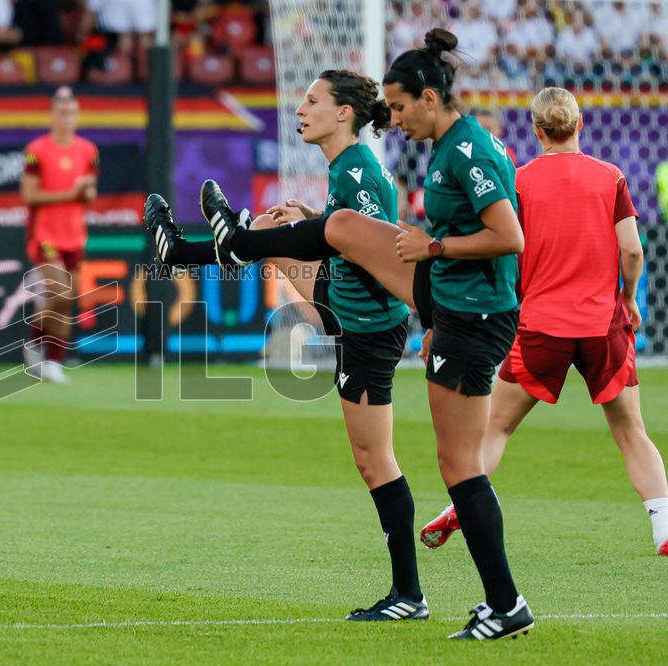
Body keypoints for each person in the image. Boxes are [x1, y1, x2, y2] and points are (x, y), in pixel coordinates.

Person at [184, 29, 533, 640]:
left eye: (398, 108)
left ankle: (498, 603)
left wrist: (435, 250)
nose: (391, 120)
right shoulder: (462, 146)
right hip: (455, 310)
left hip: (454, 314)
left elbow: (509, 236)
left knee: (458, 467)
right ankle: (226, 244)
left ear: (429, 97)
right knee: (335, 228)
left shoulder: (462, 152)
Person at [146, 69, 427, 621]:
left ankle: (409, 595)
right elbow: (350, 236)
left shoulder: (359, 170)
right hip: (349, 305)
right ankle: (188, 248)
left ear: (343, 112)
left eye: (312, 100)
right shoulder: (348, 168)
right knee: (280, 233)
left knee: (375, 461)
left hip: (366, 324)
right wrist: (312, 225)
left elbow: (376, 250)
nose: (301, 109)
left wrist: (319, 233)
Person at [420, 87, 668, 557]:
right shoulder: (609, 176)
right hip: (602, 325)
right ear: (580, 125)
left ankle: (461, 505)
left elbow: (504, 244)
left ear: (536, 131)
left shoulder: (519, 181)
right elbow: (633, 249)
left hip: (541, 326)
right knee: (631, 432)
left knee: (495, 428)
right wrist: (630, 297)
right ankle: (663, 525)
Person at [20, 86, 99, 383]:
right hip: (45, 235)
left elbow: (89, 195)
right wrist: (70, 192)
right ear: (52, 115)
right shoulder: (37, 150)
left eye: (72, 112)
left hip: (75, 235)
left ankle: (50, 359)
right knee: (62, 292)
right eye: (62, 112)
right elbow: (29, 195)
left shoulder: (88, 150)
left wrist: (86, 192)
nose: (67, 117)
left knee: (67, 300)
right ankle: (34, 345)